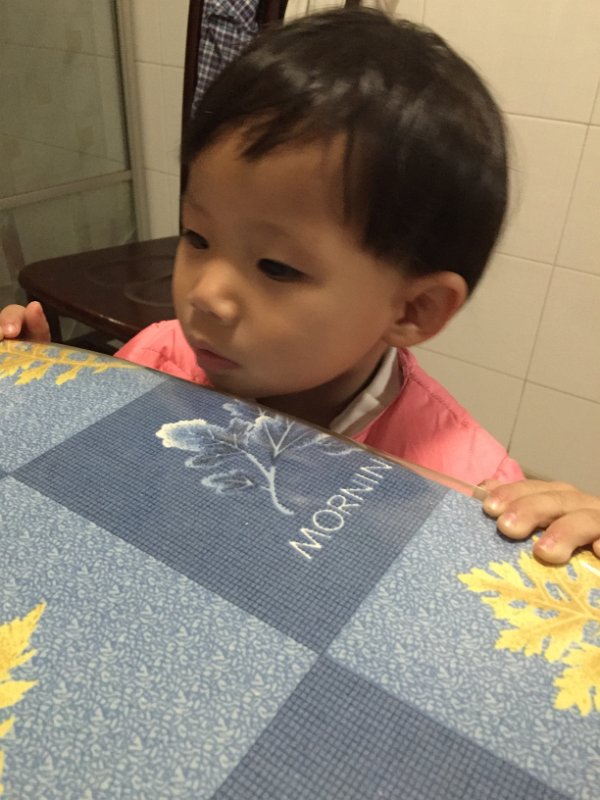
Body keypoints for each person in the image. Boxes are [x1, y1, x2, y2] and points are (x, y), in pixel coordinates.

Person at [1, 9, 598, 564]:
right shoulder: (158, 358)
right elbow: (92, 498)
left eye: (277, 267)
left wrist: (573, 554)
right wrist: (46, 398)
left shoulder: (466, 487)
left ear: (414, 308)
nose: (205, 294)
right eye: (197, 236)